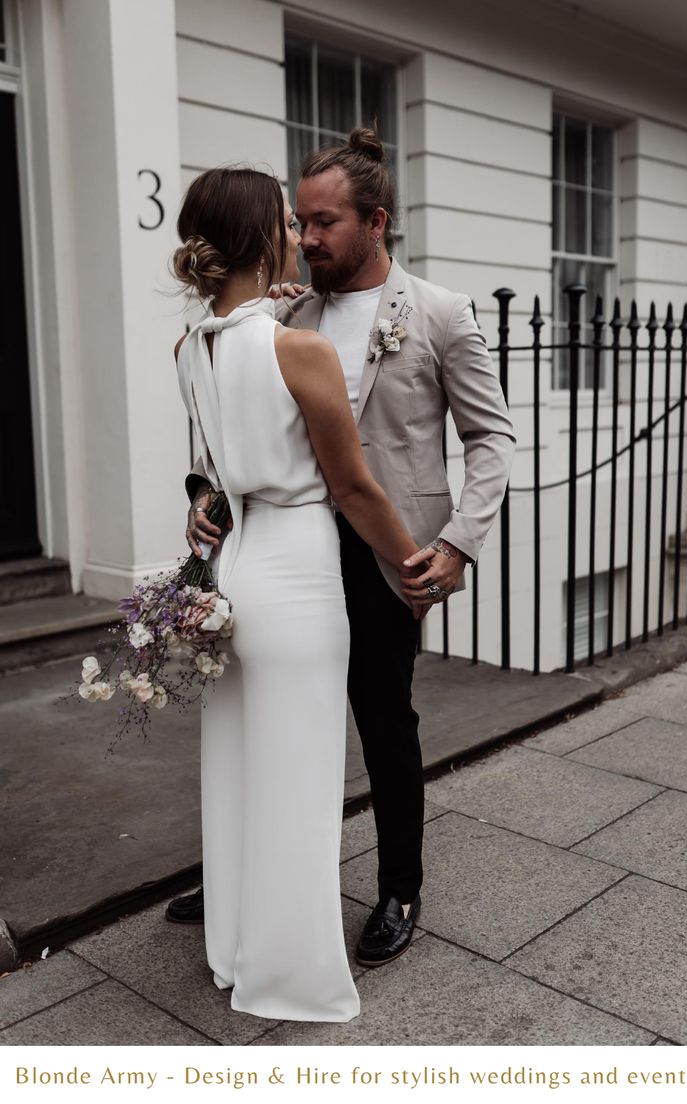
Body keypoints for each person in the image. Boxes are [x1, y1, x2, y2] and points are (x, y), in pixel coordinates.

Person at [170, 127, 516, 968]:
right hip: (290, 549)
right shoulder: (287, 309)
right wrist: (206, 499)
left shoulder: (439, 314)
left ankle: (399, 885)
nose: (310, 236)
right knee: (266, 716)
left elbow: (493, 441)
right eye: (303, 221)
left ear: (377, 221)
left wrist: (459, 546)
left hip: (389, 553)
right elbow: (236, 429)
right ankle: (249, 874)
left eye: (325, 222)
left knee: (382, 717)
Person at [171, 165, 421, 1020]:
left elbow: (208, 472)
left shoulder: (191, 348)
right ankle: (290, 971)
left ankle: (237, 948)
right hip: (302, 578)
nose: (296, 232)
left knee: (241, 772)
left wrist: (205, 507)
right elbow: (352, 488)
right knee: (302, 783)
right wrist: (411, 564)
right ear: (259, 238)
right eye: (285, 219)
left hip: (236, 575)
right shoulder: (298, 348)